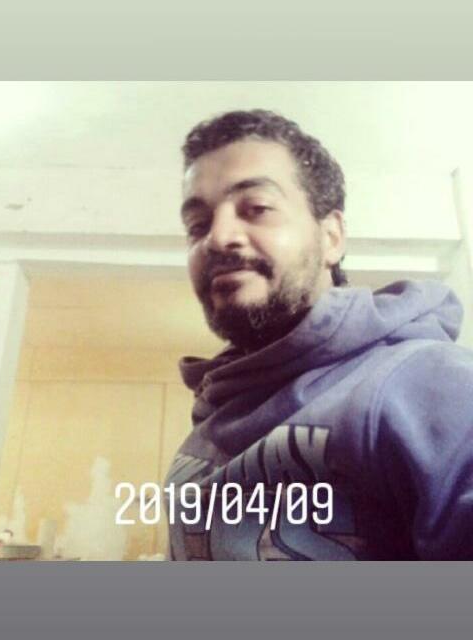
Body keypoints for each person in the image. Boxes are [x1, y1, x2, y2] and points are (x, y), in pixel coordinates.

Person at [165, 109, 473, 560]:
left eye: (257, 208)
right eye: (198, 225)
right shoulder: (214, 405)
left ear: (332, 237)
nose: (218, 236)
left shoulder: (433, 381)